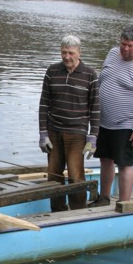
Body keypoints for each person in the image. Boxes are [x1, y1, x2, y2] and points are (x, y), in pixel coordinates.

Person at [93, 26, 133, 206]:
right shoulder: (112, 53)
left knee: (124, 164)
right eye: (123, 44)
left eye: (130, 45)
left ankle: (124, 204)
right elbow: (101, 82)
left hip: (127, 124)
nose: (125, 49)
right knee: (105, 160)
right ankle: (103, 199)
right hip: (103, 122)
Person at [38, 34, 100, 211]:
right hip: (54, 131)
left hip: (77, 134)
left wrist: (93, 137)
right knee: (54, 176)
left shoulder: (90, 75)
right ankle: (57, 211)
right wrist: (43, 133)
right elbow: (44, 104)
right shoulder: (52, 71)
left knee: (75, 176)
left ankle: (78, 210)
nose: (67, 57)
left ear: (79, 53)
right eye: (64, 52)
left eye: (71, 53)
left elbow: (95, 108)